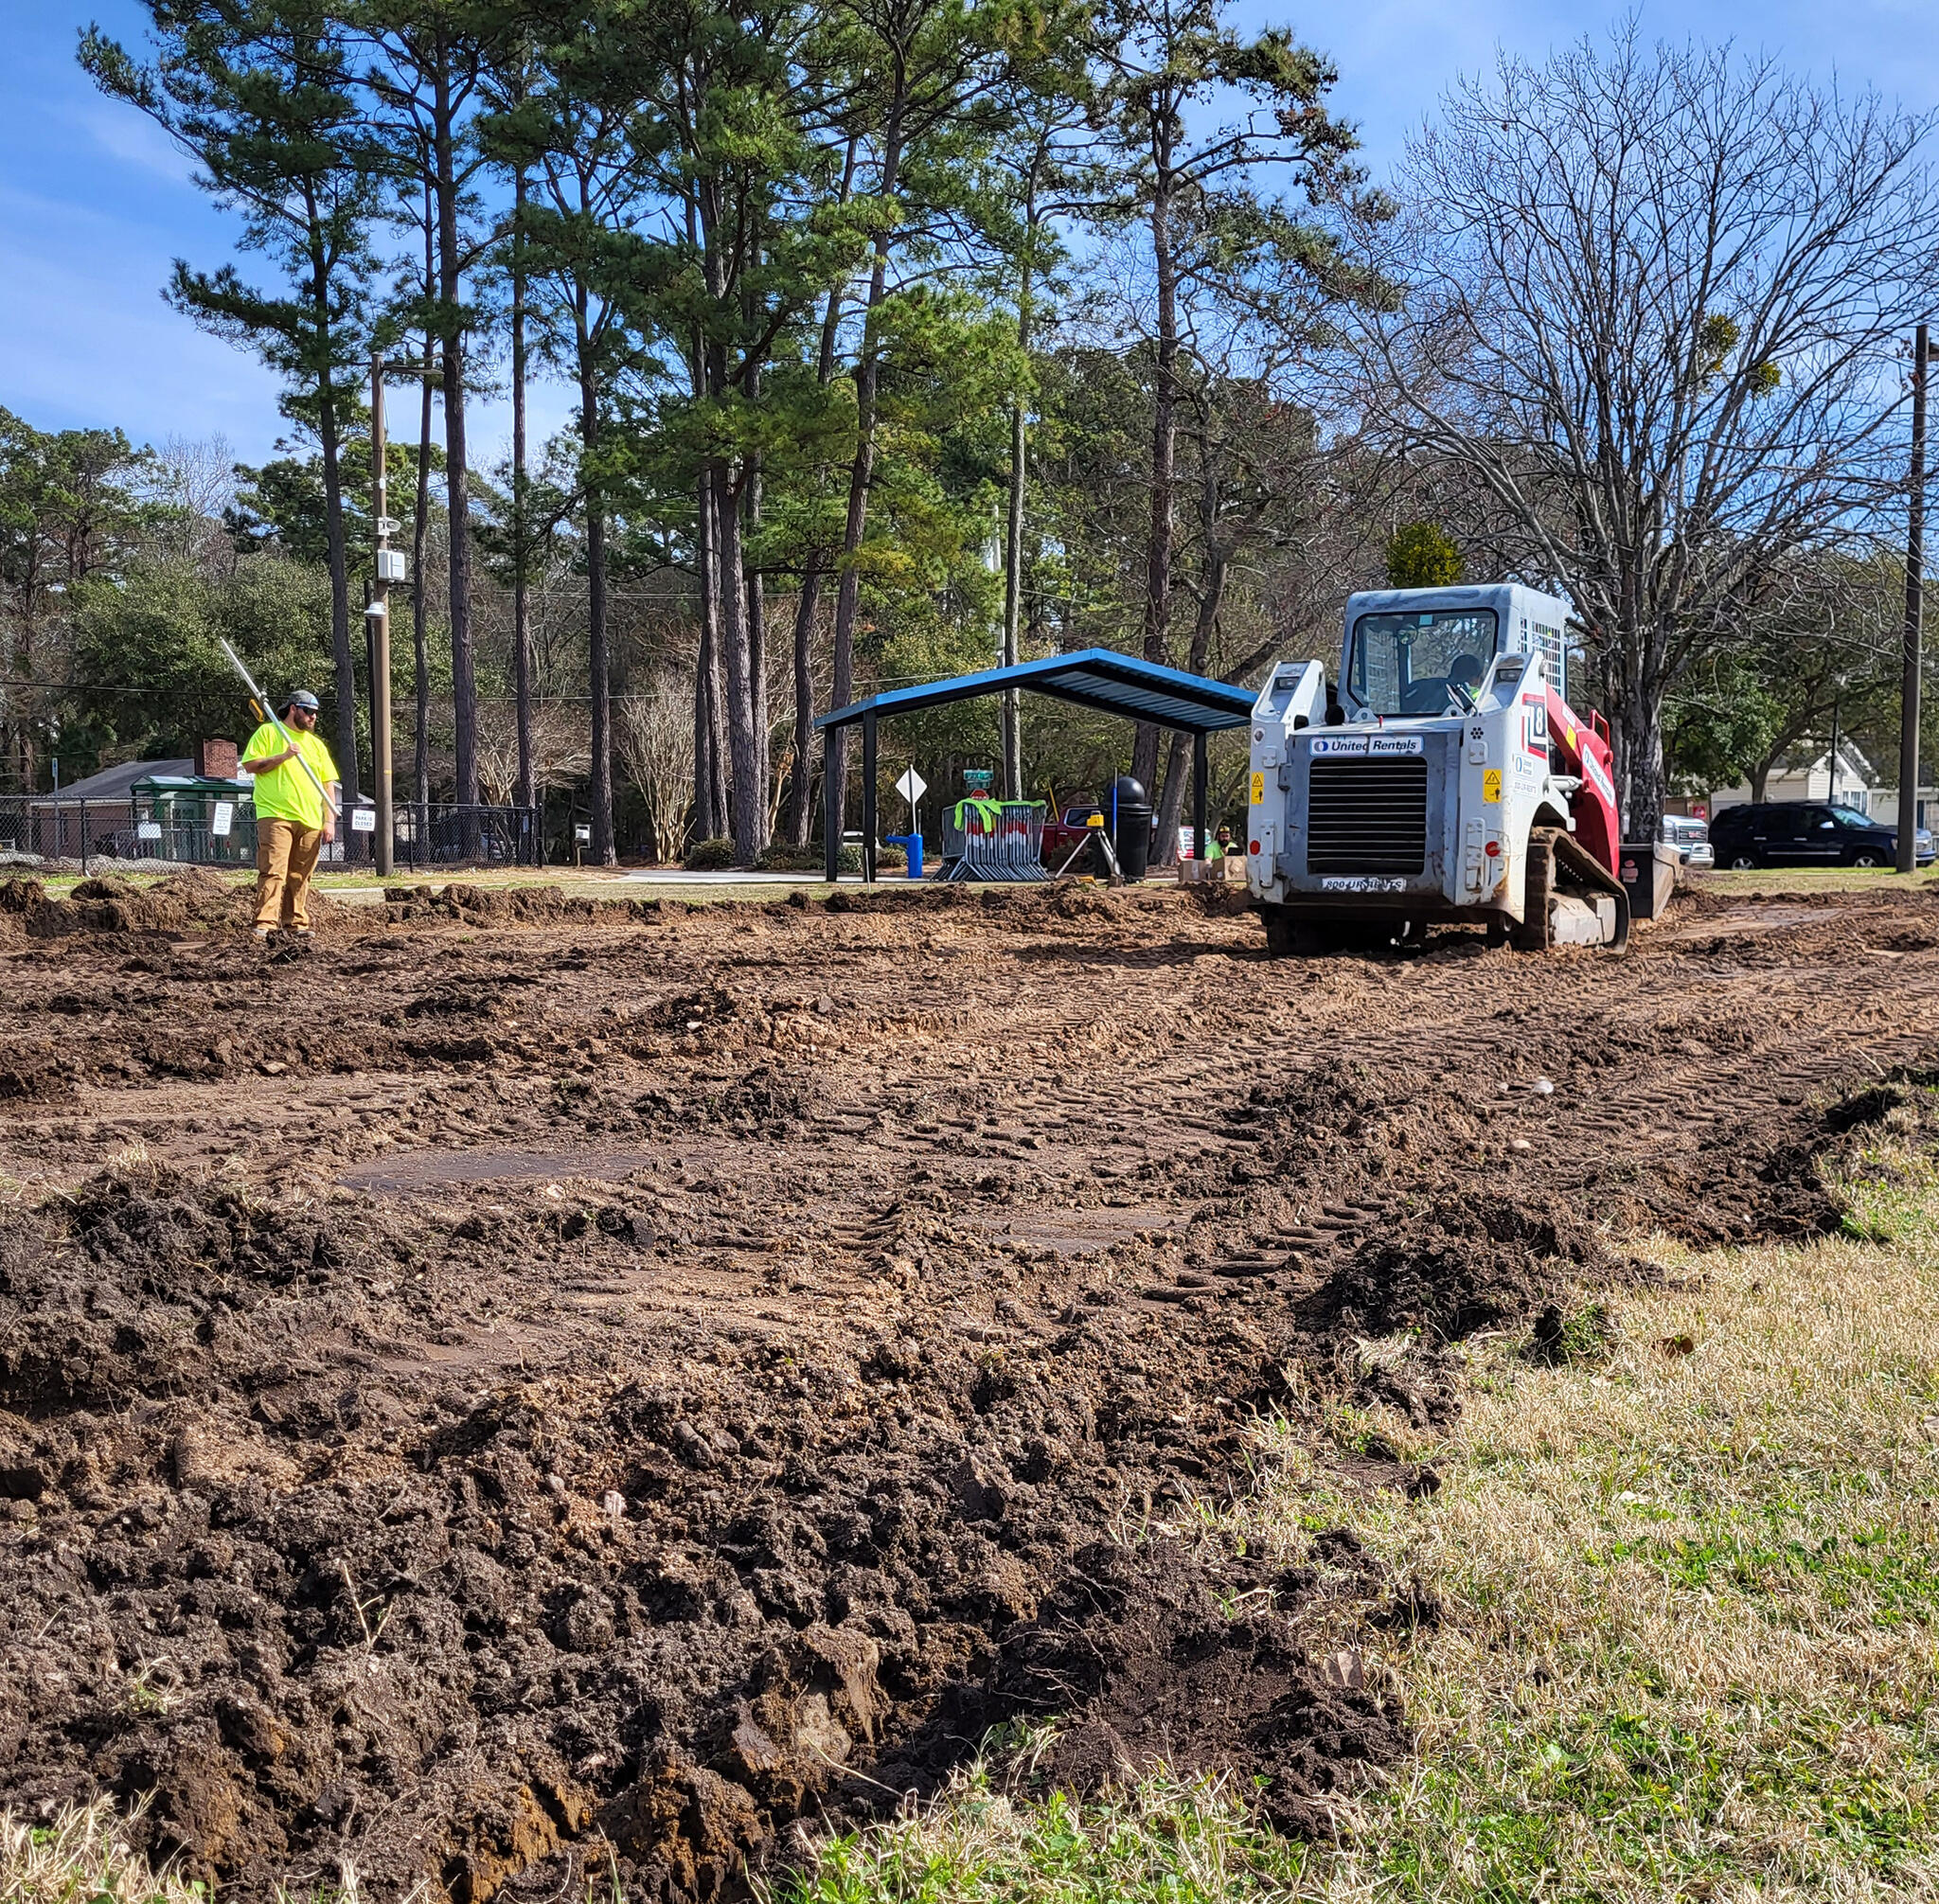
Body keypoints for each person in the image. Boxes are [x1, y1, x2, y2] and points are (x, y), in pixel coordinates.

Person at [240, 690, 340, 940]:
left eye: (316, 712)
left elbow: (328, 785)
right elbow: (251, 765)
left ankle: (296, 923)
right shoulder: (268, 733)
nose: (313, 717)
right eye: (308, 711)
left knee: (301, 875)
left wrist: (329, 820)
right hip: (275, 815)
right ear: (294, 709)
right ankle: (265, 922)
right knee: (274, 870)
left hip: (310, 819)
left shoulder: (317, 746)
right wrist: (283, 756)